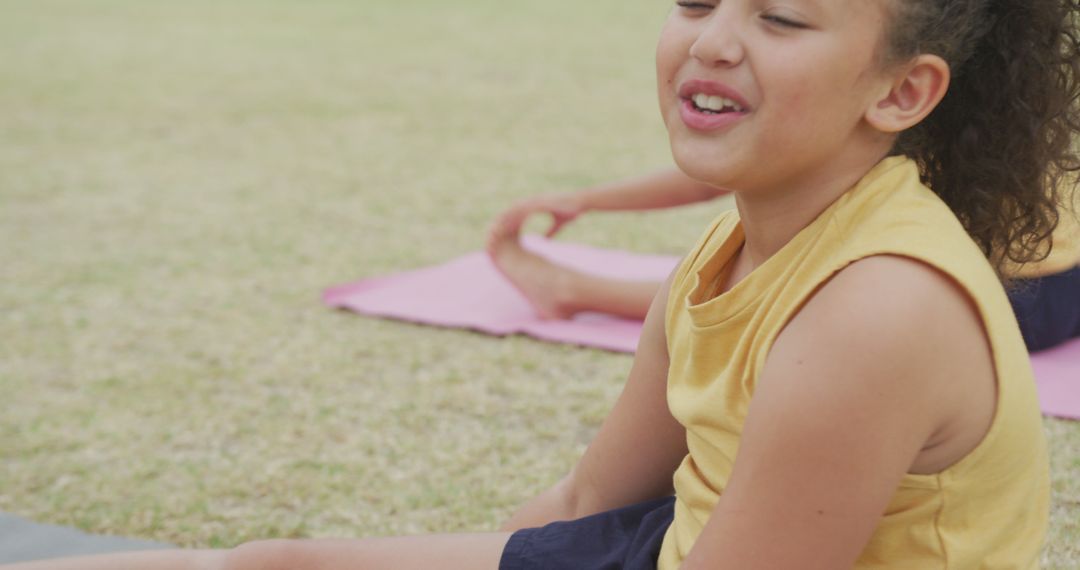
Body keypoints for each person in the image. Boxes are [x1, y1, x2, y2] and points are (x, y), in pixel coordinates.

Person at [8, 0, 1078, 568]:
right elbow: (581, 507)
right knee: (272, 565)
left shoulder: (876, 310)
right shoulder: (723, 258)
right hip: (668, 551)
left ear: (903, 90)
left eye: (780, 18)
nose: (711, 39)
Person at [488, 169, 1080, 350]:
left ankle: (574, 290)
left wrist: (587, 198)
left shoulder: (886, 84)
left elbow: (715, 174)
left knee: (781, 245)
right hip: (1067, 289)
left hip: (986, 309)